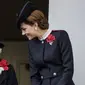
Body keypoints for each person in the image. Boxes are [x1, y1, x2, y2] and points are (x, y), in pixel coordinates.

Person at [16, 1, 75, 85]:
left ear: (35, 25)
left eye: (24, 29)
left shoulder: (61, 36)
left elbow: (68, 69)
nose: (23, 33)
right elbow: (34, 75)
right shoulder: (31, 44)